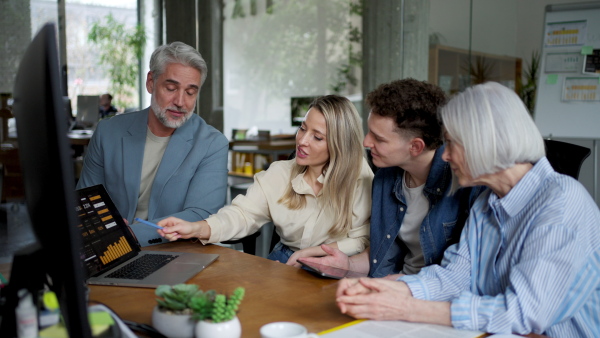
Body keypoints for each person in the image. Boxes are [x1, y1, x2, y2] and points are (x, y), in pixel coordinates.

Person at [335, 82, 600, 337]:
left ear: (485, 143)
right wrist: (388, 288)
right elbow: (454, 277)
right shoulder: (487, 202)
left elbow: (522, 313)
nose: (446, 156)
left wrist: (409, 307)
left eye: (451, 143)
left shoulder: (561, 203)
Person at [158, 95, 373, 265]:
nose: (302, 141)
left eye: (317, 137)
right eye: (302, 128)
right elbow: (242, 215)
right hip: (285, 259)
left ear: (340, 144)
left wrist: (312, 254)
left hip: (338, 263)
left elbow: (362, 239)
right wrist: (197, 228)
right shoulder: (279, 174)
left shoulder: (359, 177)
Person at [300, 79, 482, 278]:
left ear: (416, 147)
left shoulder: (465, 183)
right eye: (369, 131)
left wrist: (395, 286)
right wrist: (346, 264)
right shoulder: (385, 177)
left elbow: (464, 276)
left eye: (379, 139)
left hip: (429, 297)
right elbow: (383, 256)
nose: (366, 142)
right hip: (391, 287)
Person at [77, 42, 229, 247]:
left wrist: (128, 234)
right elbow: (86, 201)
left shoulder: (212, 144)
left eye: (190, 92)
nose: (180, 101)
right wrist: (102, 227)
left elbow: (200, 214)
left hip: (180, 251)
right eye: (171, 88)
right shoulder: (108, 133)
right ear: (151, 82)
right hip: (110, 250)